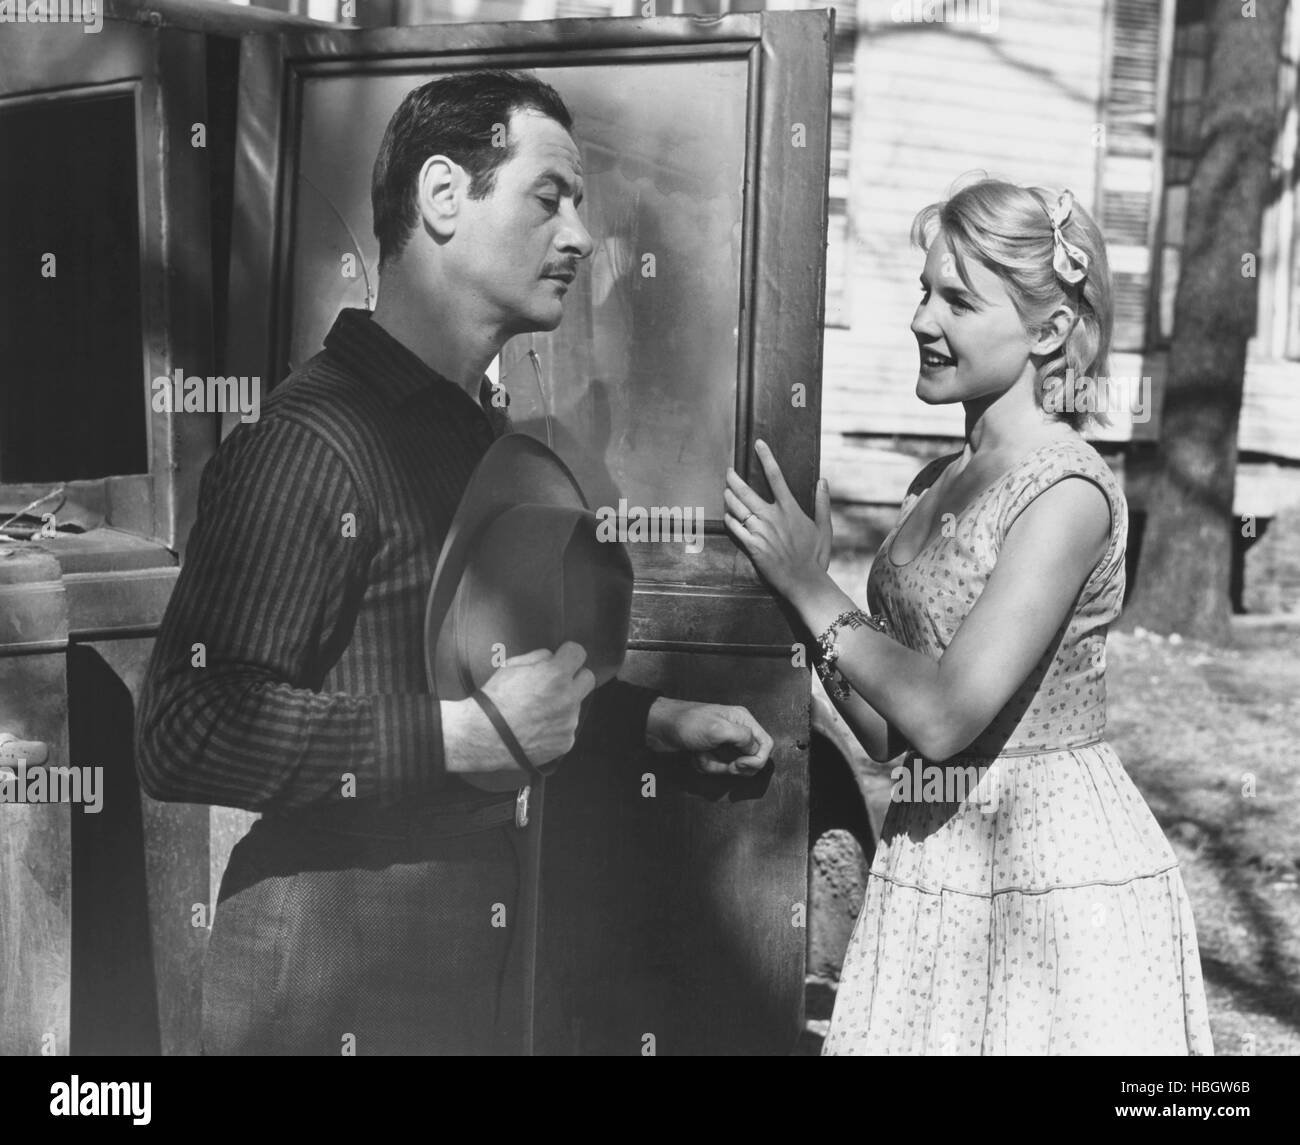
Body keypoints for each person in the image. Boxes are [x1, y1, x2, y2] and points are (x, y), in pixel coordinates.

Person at [135, 69, 773, 1056]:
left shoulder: (472, 430)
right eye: (549, 197)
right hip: (327, 975)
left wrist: (649, 718)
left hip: (468, 968)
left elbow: (490, 695)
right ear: (442, 196)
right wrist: (448, 741)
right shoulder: (312, 438)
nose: (579, 237)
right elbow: (184, 724)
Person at [723, 178, 1213, 1055]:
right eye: (923, 289)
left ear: (1050, 332)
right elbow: (889, 732)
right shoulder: (930, 486)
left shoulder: (1064, 492)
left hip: (1048, 871)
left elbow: (948, 715)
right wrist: (800, 591)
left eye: (958, 299)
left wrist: (814, 589)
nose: (922, 319)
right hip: (931, 843)